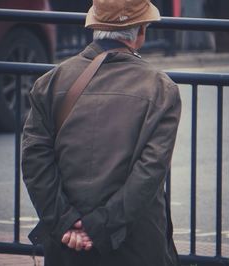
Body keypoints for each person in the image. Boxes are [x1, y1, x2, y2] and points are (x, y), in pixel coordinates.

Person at [21, 0, 182, 265]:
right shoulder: (161, 89)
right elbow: (150, 171)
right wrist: (99, 226)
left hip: (66, 246)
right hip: (135, 243)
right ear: (140, 31)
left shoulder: (50, 83)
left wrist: (66, 221)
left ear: (94, 25)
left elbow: (34, 160)